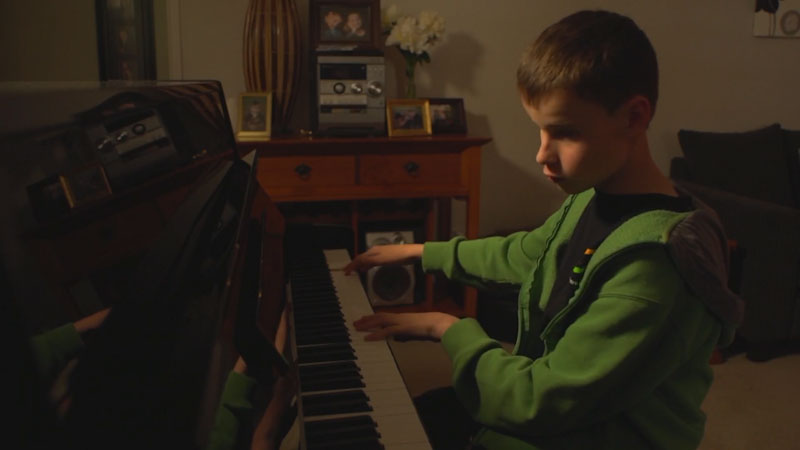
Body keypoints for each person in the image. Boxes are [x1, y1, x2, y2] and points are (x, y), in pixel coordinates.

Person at [345, 9, 744, 450]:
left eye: (565, 133)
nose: (541, 155)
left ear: (634, 117)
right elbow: (526, 255)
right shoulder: (590, 197)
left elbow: (535, 400)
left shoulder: (653, 266)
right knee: (411, 416)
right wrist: (424, 252)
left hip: (584, 432)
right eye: (539, 131)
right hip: (555, 413)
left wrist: (448, 328)